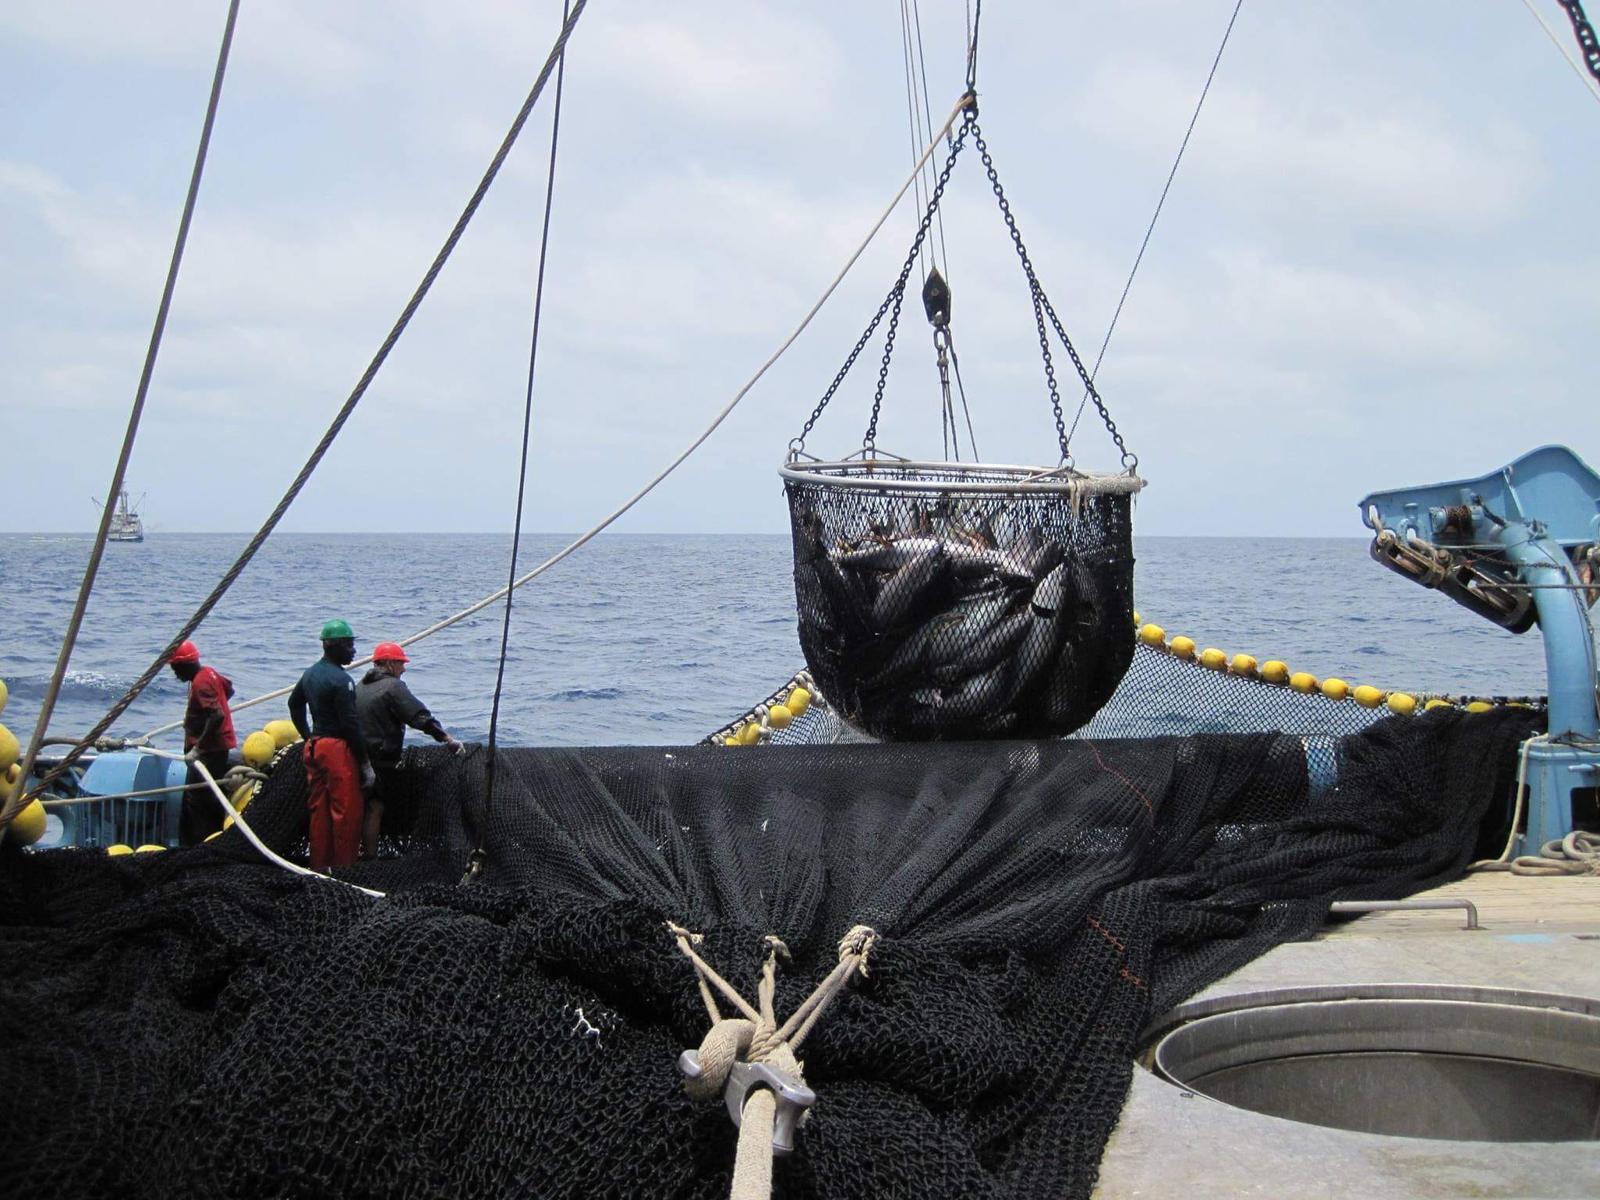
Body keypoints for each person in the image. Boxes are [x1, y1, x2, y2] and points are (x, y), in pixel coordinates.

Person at [356, 641, 463, 858]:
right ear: (388, 663)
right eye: (400, 663)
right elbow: (417, 716)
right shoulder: (393, 687)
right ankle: (369, 857)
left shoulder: (360, 687)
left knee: (361, 805)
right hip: (379, 759)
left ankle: (351, 855)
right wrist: (446, 738)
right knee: (375, 807)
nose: (404, 668)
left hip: (357, 756)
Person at [288, 618, 371, 870]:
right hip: (337, 750)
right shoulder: (340, 680)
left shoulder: (310, 673)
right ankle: (345, 871)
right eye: (348, 645)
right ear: (333, 646)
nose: (353, 651)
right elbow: (350, 725)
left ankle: (319, 867)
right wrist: (365, 762)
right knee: (346, 812)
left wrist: (307, 735)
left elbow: (294, 704)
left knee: (319, 812)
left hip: (314, 746)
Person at [169, 640, 236, 846]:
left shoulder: (200, 682)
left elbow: (215, 715)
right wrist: (198, 716)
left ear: (184, 665)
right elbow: (229, 690)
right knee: (209, 797)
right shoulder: (209, 673)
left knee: (198, 803)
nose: (175, 674)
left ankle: (200, 847)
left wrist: (198, 748)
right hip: (218, 747)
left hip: (209, 752)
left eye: (175, 668)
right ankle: (211, 842)